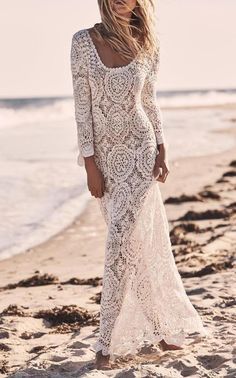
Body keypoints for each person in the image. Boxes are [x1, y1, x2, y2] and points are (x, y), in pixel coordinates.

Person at [70, 0, 207, 370]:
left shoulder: (146, 44)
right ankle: (161, 329)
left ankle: (103, 344)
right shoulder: (83, 41)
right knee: (136, 247)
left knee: (119, 242)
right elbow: (82, 107)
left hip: (139, 153)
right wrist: (89, 163)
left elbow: (149, 102)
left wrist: (162, 150)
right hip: (105, 160)